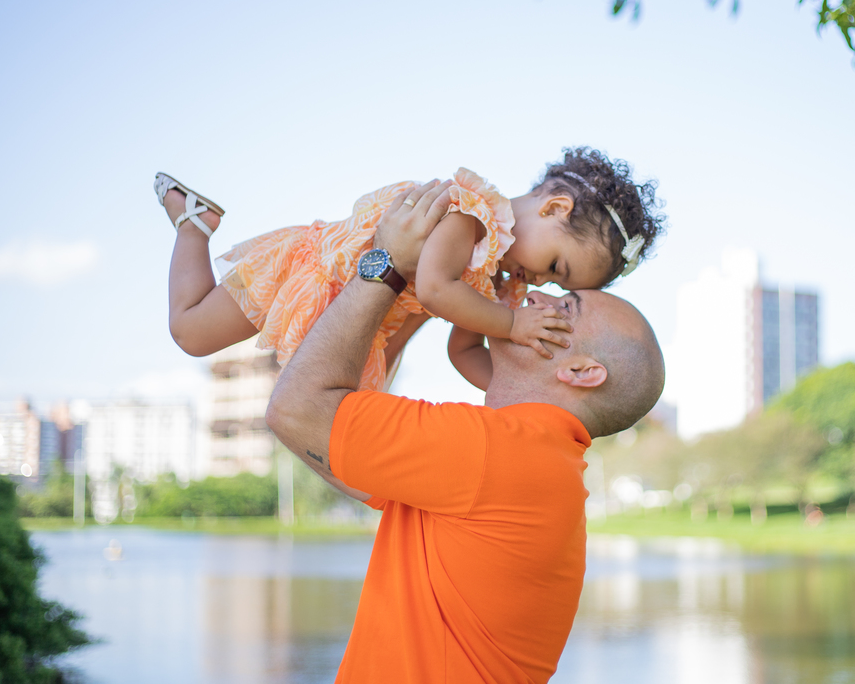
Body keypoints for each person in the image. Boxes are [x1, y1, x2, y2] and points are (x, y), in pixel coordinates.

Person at [265, 179, 666, 683]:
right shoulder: (535, 465)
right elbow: (334, 448)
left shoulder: (497, 454)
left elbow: (296, 409)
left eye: (566, 308)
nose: (538, 295)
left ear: (582, 372)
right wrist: (417, 287)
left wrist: (384, 263)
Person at [153, 148, 664, 391]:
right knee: (191, 332)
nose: (541, 282)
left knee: (341, 409)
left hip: (354, 320)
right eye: (554, 265)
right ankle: (193, 225)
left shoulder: (486, 276)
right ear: (553, 209)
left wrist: (530, 392)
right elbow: (435, 288)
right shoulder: (469, 215)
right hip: (310, 275)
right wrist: (511, 323)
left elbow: (461, 350)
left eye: (555, 283)